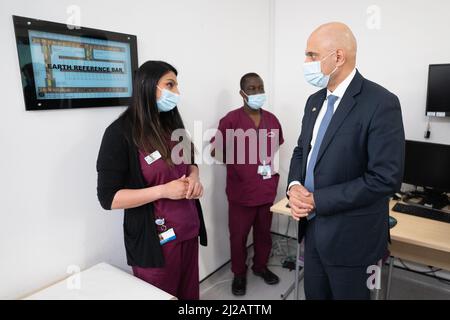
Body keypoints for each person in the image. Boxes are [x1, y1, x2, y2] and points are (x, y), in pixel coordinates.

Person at [287, 22, 405, 300]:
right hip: (313, 231)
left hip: (353, 240)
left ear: (338, 57)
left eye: (312, 55)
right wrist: (293, 186)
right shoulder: (314, 101)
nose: (305, 62)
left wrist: (317, 200)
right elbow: (301, 151)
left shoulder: (381, 103)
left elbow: (384, 178)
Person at [96, 60, 207, 300]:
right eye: (170, 85)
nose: (177, 93)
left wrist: (194, 178)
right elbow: (109, 198)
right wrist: (162, 191)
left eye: (177, 86)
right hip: (154, 244)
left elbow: (190, 163)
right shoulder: (119, 134)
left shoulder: (171, 124)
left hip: (187, 231)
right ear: (147, 86)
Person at [211, 73, 284, 296]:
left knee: (264, 234)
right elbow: (215, 151)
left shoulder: (271, 120)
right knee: (239, 236)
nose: (257, 92)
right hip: (241, 193)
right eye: (252, 88)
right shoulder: (231, 120)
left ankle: (260, 267)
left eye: (260, 87)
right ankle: (239, 274)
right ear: (242, 93)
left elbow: (276, 145)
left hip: (265, 189)